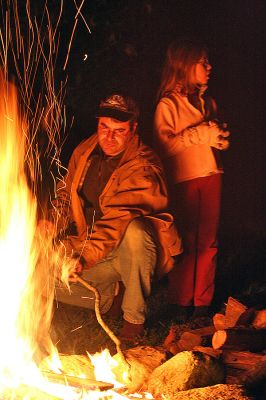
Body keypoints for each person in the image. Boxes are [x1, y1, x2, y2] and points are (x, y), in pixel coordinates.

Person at [43, 93, 182, 340]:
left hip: (129, 253)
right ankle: (110, 299)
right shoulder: (86, 149)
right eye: (103, 127)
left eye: (118, 130)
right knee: (34, 275)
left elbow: (117, 220)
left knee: (136, 230)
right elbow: (66, 193)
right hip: (94, 246)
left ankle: (133, 318)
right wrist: (50, 223)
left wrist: (83, 257)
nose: (108, 137)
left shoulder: (143, 166)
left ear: (133, 129)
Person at [154, 39, 230, 319]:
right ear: (185, 66)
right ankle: (179, 301)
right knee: (186, 241)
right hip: (184, 179)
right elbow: (164, 146)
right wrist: (200, 134)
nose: (209, 67)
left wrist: (220, 139)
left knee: (208, 241)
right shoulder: (168, 104)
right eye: (203, 62)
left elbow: (212, 137)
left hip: (211, 176)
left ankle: (201, 304)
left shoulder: (208, 102)